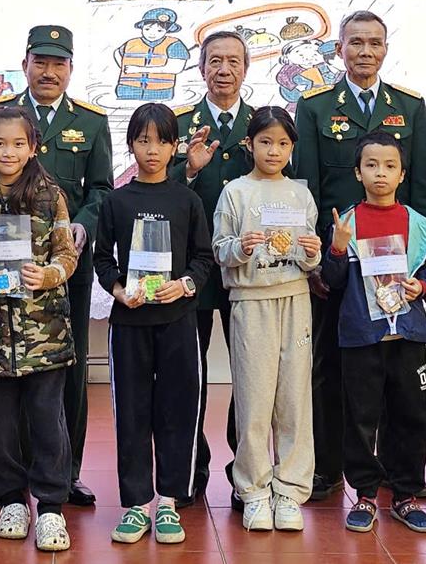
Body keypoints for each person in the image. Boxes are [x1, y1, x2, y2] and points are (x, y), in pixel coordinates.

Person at [292, 10, 426, 502]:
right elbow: (308, 190)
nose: (365, 52)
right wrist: (318, 263)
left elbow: (421, 188)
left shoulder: (410, 107)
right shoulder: (313, 107)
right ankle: (330, 468)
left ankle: (398, 474)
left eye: (374, 42)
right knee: (332, 368)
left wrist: (422, 262)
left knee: (397, 375)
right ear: (339, 50)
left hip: (397, 267)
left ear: (386, 48)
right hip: (342, 265)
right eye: (355, 43)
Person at [0, 25, 111, 506]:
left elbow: (101, 189)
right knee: (8, 366)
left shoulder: (91, 122)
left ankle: (65, 473)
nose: (49, 72)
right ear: (25, 65)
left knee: (66, 368)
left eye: (59, 64)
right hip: (5, 264)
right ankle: (12, 480)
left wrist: (81, 225)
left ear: (71, 69)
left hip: (65, 264)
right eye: (41, 62)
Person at [0, 105, 79, 552]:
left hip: (44, 331)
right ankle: (10, 500)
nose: (9, 152)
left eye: (19, 143)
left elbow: (67, 253)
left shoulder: (48, 193)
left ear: (33, 147)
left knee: (47, 420)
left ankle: (51, 506)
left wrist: (50, 274)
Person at [94, 102, 215, 545]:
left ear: (174, 147)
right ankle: (135, 504)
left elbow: (203, 258)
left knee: (178, 410)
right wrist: (119, 289)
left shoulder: (187, 199)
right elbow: (102, 259)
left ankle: (168, 501)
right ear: (130, 145)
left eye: (161, 141)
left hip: (178, 320)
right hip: (130, 324)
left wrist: (184, 285)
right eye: (143, 141)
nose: (152, 150)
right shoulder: (116, 201)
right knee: (131, 412)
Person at [321, 132, 426, 535]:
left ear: (403, 174)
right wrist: (338, 248)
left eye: (390, 166)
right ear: (358, 172)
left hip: (407, 336)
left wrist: (422, 285)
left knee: (410, 415)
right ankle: (366, 494)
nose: (380, 173)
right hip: (361, 336)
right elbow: (333, 281)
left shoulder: (419, 224)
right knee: (359, 417)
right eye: (371, 165)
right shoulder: (346, 223)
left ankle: (405, 494)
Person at [212, 106, 322, 532]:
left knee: (294, 399)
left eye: (282, 143)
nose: (274, 151)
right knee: (254, 400)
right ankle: (254, 490)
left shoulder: (300, 194)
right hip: (251, 301)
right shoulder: (235, 193)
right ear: (250, 144)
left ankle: (290, 490)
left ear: (292, 147)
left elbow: (309, 257)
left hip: (295, 299)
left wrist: (312, 253)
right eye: (265, 142)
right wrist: (241, 247)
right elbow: (220, 249)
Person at [170, 30, 251, 506]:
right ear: (201, 68)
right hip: (193, 270)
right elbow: (158, 185)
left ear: (246, 68)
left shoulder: (263, 125)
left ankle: (246, 471)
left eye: (233, 61)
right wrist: (189, 170)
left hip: (248, 270)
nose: (224, 69)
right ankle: (190, 470)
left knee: (251, 374)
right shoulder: (181, 124)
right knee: (189, 375)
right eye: (215, 60)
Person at [114, 8, 191, 101]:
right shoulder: (131, 43)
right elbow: (117, 53)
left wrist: (138, 69)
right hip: (127, 89)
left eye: (159, 31)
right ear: (142, 28)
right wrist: (123, 67)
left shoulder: (175, 44)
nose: (152, 33)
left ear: (167, 31)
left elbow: (175, 68)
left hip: (160, 92)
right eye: (147, 29)